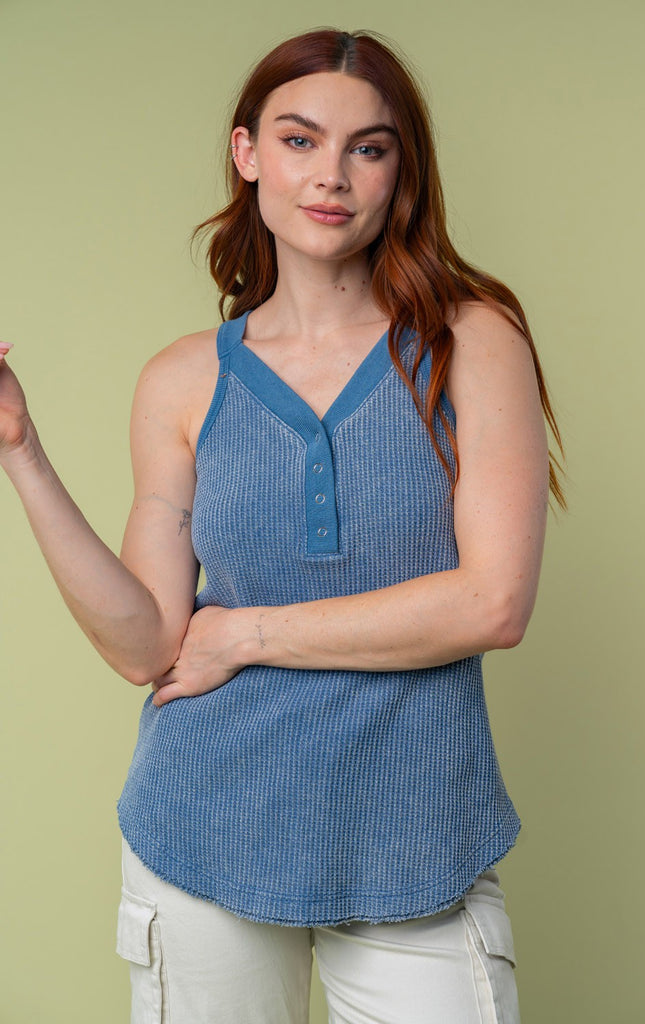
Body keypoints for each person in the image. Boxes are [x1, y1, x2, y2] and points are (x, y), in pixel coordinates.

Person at [0, 28, 563, 1024]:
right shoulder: (182, 378)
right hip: (201, 831)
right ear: (247, 152)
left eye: (367, 147)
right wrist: (21, 450)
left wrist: (247, 633)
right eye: (299, 140)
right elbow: (145, 646)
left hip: (417, 840)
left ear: (400, 170)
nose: (331, 175)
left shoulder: (471, 340)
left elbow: (492, 602)